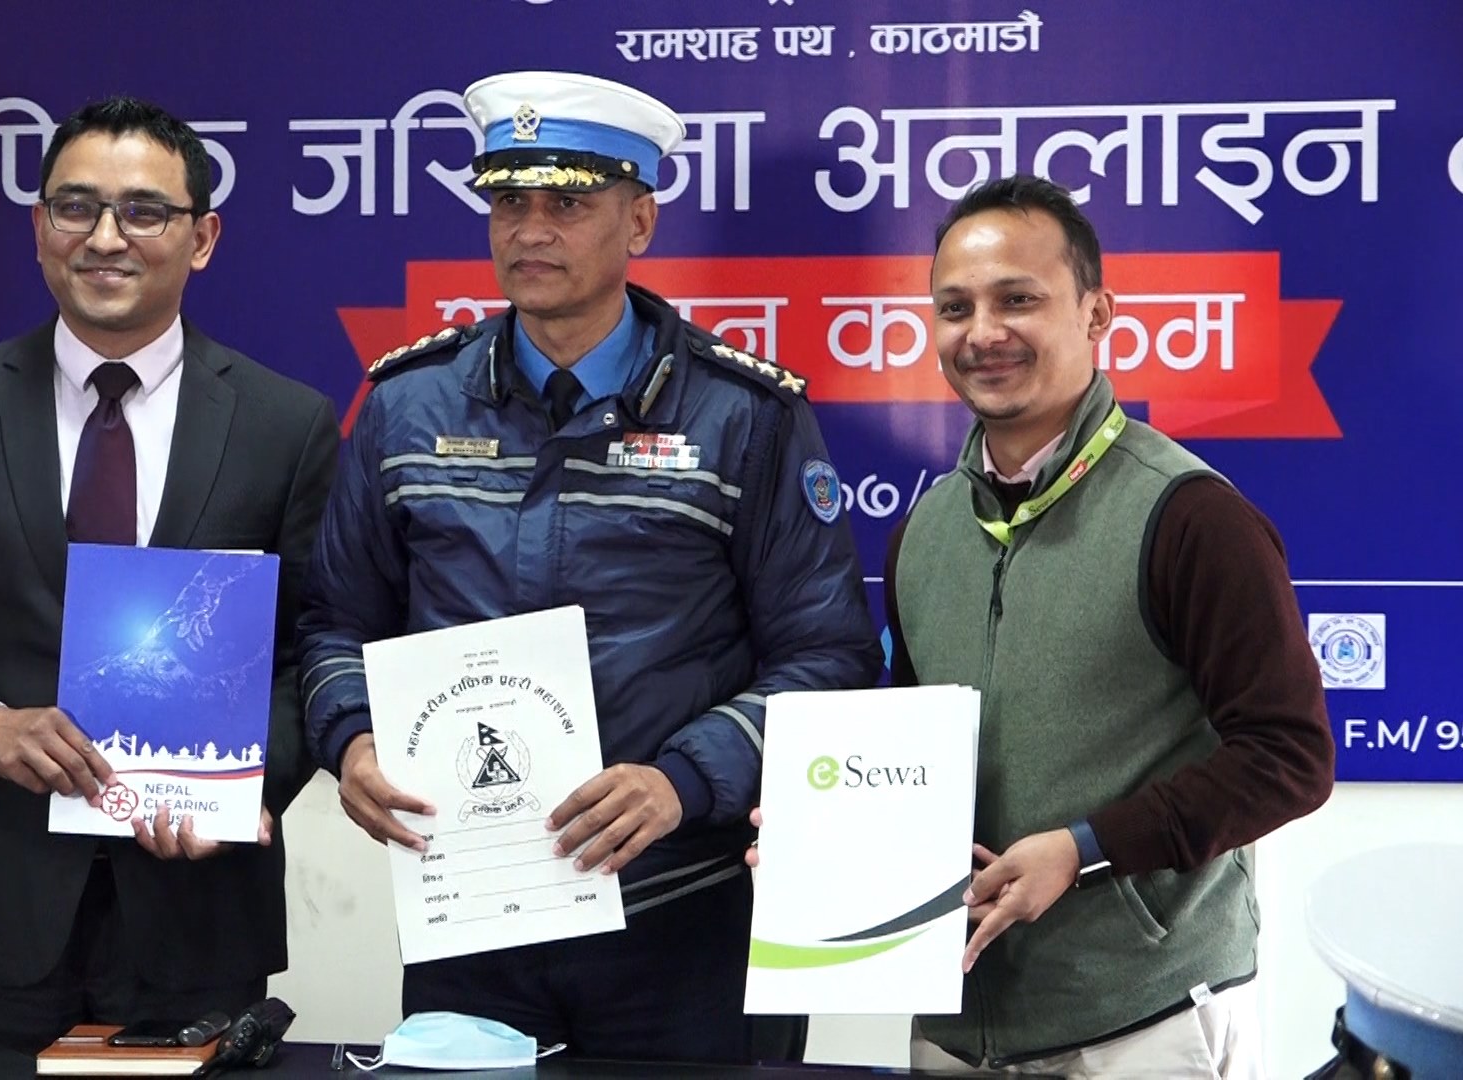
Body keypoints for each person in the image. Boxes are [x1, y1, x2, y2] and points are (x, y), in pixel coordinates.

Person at [297, 71, 881, 1064]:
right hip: (468, 919)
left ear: (639, 221)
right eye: (508, 203)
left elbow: (828, 657)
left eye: (567, 204)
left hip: (683, 915)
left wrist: (680, 780)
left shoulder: (744, 415)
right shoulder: (405, 405)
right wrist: (351, 740)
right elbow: (334, 624)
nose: (531, 231)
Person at [777, 174, 1331, 1076]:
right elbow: (914, 766)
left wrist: (1086, 850)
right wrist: (825, 833)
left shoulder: (1191, 517)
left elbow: (1290, 758)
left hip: (1142, 1021)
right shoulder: (925, 533)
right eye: (955, 308)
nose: (983, 333)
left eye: (1018, 300)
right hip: (955, 1023)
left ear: (1096, 313)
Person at [0, 96, 340, 1055]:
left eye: (144, 211)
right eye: (76, 207)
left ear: (202, 239)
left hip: (197, 907)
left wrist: (242, 786)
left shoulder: (286, 424)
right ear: (40, 229)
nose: (106, 238)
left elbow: (316, 651)